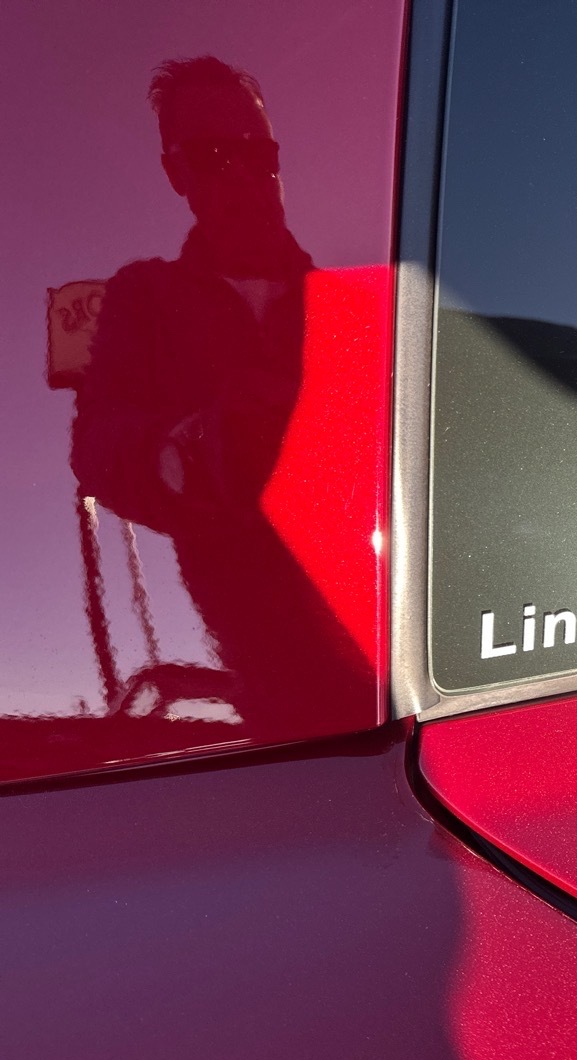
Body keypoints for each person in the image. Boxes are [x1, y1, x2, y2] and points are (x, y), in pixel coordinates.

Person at [71, 56, 369, 732]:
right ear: (176, 173)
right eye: (213, 156)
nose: (242, 175)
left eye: (258, 154)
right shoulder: (147, 297)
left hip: (392, 646)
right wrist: (192, 454)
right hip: (269, 682)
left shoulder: (347, 309)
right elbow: (97, 446)